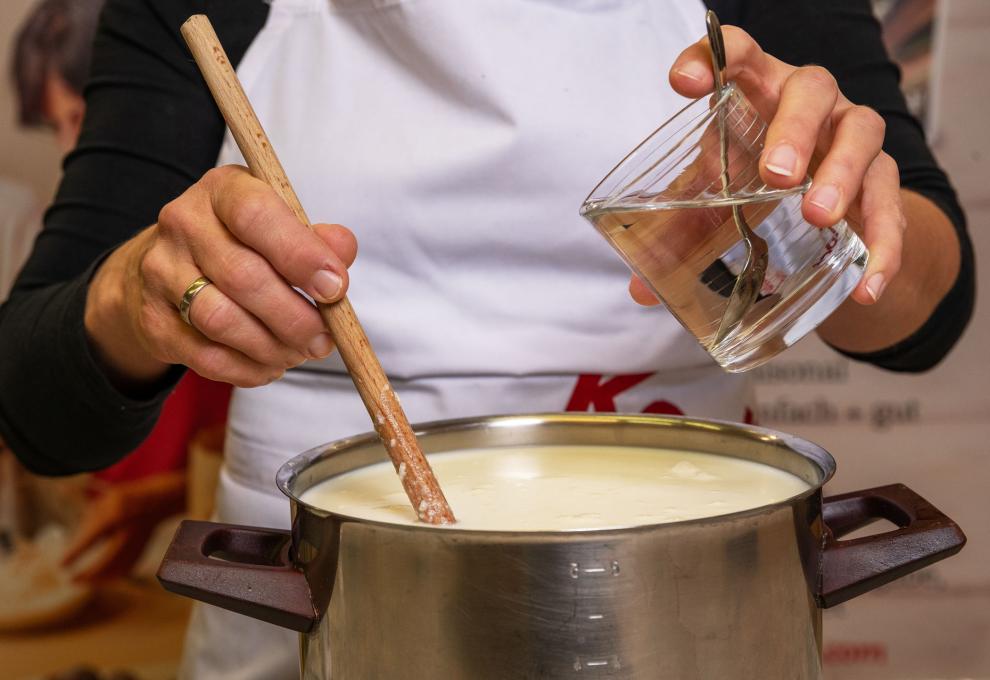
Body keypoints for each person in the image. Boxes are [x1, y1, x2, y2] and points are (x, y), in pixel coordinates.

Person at [0, 0, 973, 677]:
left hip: (680, 608)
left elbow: (930, 311)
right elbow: (35, 404)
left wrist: (828, 220)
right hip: (327, 606)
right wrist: (135, 294)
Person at [8, 0, 232, 583]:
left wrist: (156, 499)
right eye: (54, 124)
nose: (68, 149)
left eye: (81, 116)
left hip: (212, 547)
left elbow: (226, 448)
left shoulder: (229, 263)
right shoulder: (84, 254)